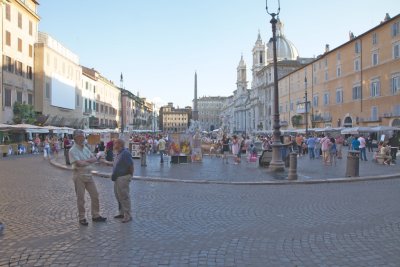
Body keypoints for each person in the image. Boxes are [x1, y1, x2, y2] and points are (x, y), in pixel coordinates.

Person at [68, 130, 107, 226]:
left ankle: (96, 215)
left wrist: (87, 161)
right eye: (81, 136)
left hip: (89, 174)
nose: (83, 138)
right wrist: (90, 161)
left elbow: (93, 158)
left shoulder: (85, 148)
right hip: (79, 175)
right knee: (81, 198)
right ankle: (82, 217)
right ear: (76, 138)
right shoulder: (72, 150)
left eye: (83, 136)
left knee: (95, 195)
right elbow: (79, 163)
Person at [109, 139, 134, 223]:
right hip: (117, 177)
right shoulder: (118, 153)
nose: (113, 144)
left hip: (123, 177)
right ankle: (121, 213)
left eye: (115, 143)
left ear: (119, 144)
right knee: (118, 196)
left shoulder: (125, 153)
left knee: (124, 196)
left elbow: (131, 165)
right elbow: (115, 164)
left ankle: (128, 215)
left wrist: (130, 176)